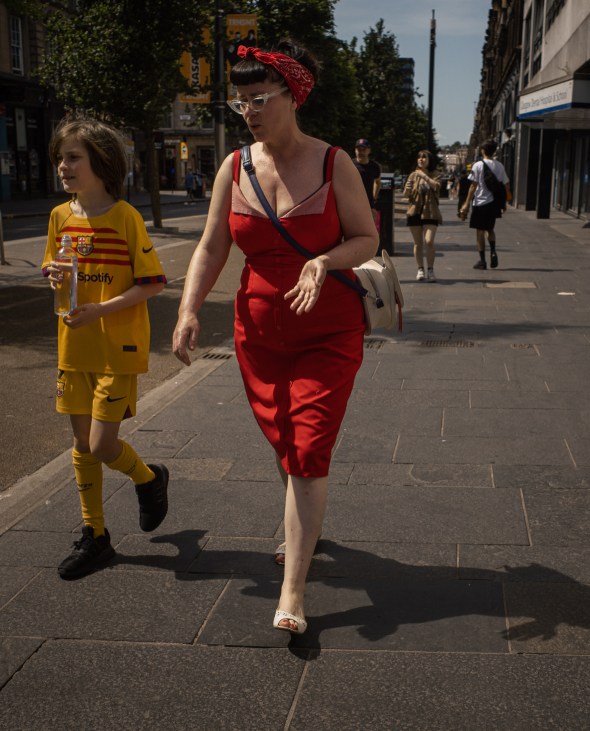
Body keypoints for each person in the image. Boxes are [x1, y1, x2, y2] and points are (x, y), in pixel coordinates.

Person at [171, 40, 377, 636]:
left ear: (294, 95)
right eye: (241, 103)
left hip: (328, 331)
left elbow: (367, 239)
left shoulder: (333, 162)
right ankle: (302, 524)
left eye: (260, 99)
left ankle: (292, 591)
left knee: (307, 448)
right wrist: (188, 311)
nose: (250, 112)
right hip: (259, 334)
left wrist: (324, 260)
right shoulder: (234, 167)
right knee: (283, 439)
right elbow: (212, 245)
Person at [42, 116, 170, 580]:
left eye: (73, 157)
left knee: (101, 444)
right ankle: (95, 534)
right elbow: (52, 267)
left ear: (100, 161)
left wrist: (101, 309)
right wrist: (53, 276)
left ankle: (148, 478)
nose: (63, 166)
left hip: (117, 349)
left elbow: (152, 283)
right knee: (81, 444)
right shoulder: (59, 217)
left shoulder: (125, 217)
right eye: (60, 158)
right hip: (73, 348)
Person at [459, 140, 510, 269]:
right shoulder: (500, 166)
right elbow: (506, 184)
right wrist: (504, 202)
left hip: (480, 202)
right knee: (490, 229)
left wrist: (466, 204)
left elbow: (473, 186)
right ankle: (493, 251)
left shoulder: (478, 165)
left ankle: (482, 260)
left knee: (480, 231)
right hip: (494, 203)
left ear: (482, 151)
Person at [403, 149, 443, 282]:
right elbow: (406, 194)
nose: (421, 159)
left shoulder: (435, 174)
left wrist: (423, 176)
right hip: (415, 211)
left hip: (430, 211)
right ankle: (420, 269)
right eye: (419, 157)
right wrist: (408, 188)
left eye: (424, 157)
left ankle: (430, 270)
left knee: (429, 241)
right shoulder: (413, 175)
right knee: (418, 243)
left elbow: (436, 186)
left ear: (430, 160)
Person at [353, 138, 382, 231]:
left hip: (369, 205)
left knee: (370, 232)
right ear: (355, 150)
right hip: (352, 205)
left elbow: (378, 182)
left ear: (369, 150)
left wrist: (374, 197)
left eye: (364, 149)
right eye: (359, 149)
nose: (361, 152)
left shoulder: (374, 166)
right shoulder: (349, 164)